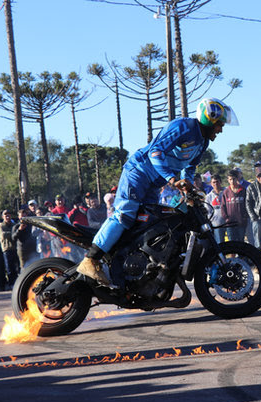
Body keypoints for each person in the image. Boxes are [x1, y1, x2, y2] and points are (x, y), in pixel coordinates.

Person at [77, 98, 237, 287]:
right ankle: (91, 259)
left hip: (154, 183)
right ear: (209, 120)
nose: (220, 130)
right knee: (125, 214)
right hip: (138, 173)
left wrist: (189, 187)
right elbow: (156, 152)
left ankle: (127, 265)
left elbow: (190, 167)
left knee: (151, 222)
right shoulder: (183, 127)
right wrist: (172, 179)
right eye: (219, 125)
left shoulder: (203, 143)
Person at [221, 169, 248, 242]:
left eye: (233, 179)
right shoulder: (226, 192)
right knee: (231, 244)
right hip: (230, 223)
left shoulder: (243, 190)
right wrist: (226, 218)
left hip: (241, 222)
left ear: (237, 179)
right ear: (228, 180)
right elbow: (223, 207)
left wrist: (245, 217)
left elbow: (248, 205)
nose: (232, 181)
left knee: (240, 243)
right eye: (230, 179)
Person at [0, 209, 19, 287]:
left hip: (15, 248)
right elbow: (3, 235)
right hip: (7, 249)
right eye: (5, 215)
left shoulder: (14, 224)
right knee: (9, 268)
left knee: (16, 267)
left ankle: (17, 283)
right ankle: (11, 283)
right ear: (2, 216)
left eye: (8, 214)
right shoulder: (1, 225)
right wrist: (13, 233)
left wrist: (13, 234)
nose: (7, 216)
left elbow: (18, 234)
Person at [205, 174, 226, 244]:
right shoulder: (209, 196)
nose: (216, 184)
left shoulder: (227, 192)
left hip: (229, 222)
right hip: (217, 224)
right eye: (214, 182)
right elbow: (208, 211)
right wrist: (213, 220)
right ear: (211, 184)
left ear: (220, 182)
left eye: (217, 181)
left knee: (233, 243)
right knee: (220, 244)